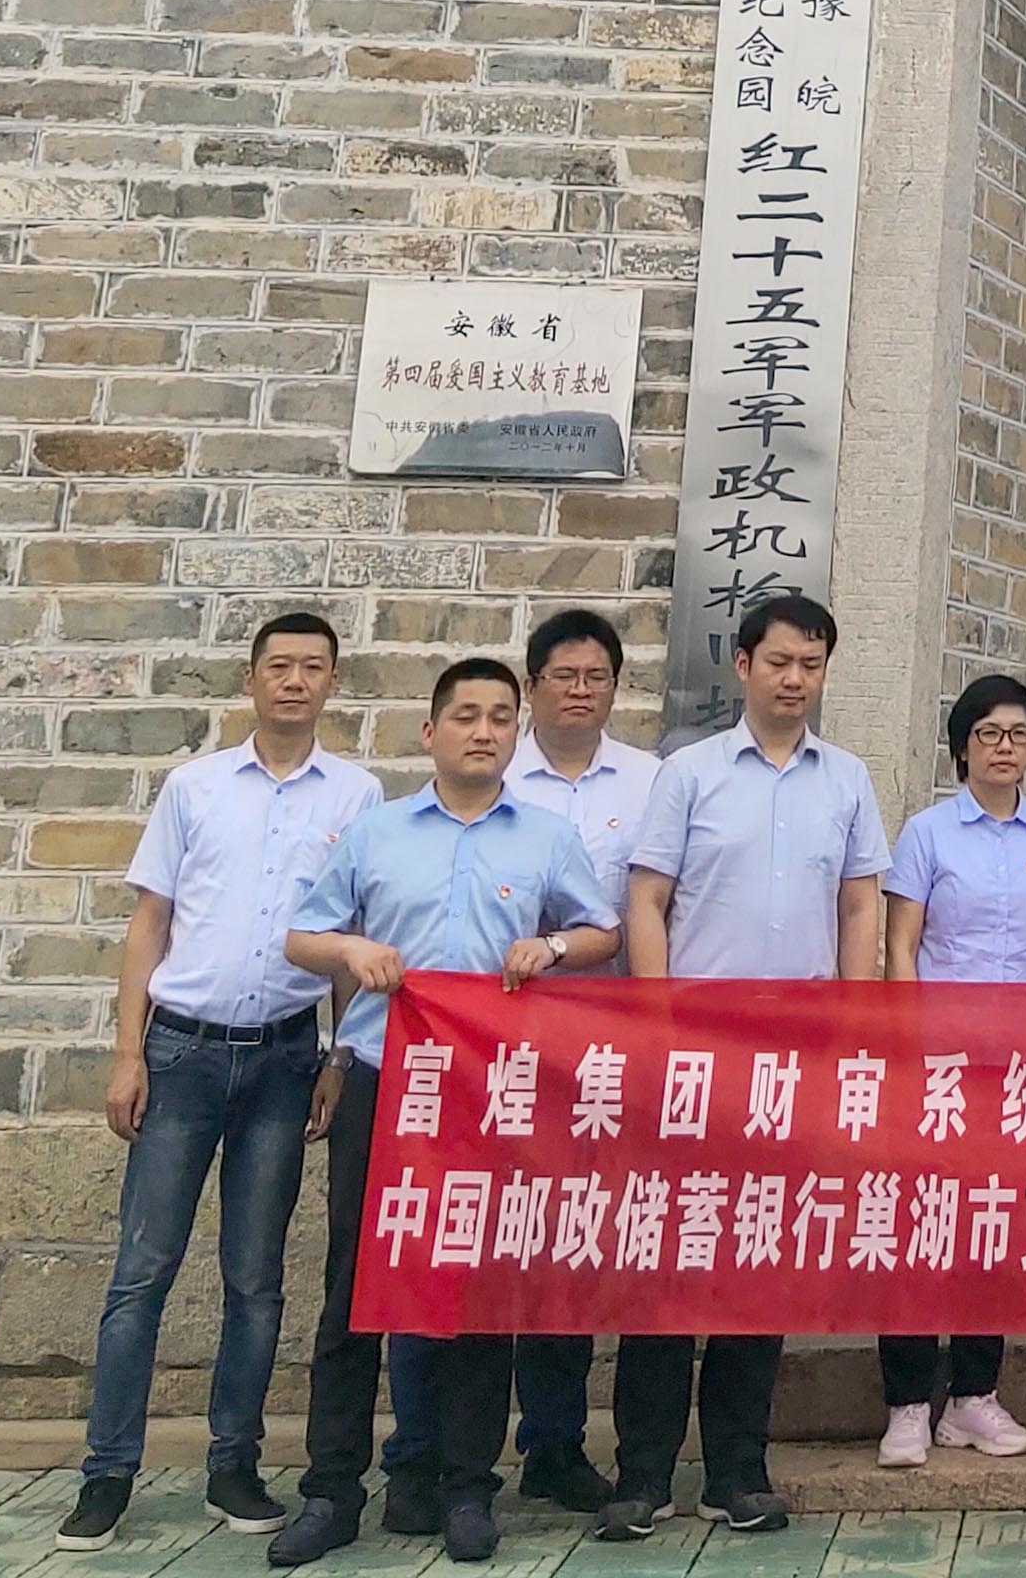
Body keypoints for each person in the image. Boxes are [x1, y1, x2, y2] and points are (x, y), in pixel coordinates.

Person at [270, 658, 622, 1567]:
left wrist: (550, 948)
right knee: (357, 1284)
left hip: (491, 1089)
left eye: (500, 717)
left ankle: (469, 1486)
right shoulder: (377, 833)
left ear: (516, 734)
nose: (484, 730)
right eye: (465, 715)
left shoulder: (545, 837)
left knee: (477, 1284)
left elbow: (602, 931)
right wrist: (352, 951)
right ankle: (333, 1489)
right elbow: (302, 935)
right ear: (430, 733)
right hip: (387, 1080)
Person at [55, 613, 379, 1554]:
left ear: (333, 683)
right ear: (250, 679)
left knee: (255, 1276)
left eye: (312, 667)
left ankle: (233, 1463)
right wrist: (128, 1051)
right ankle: (107, 1472)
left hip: (285, 1060)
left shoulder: (357, 795)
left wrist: (337, 1056)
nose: (294, 680)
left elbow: (348, 940)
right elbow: (149, 924)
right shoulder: (194, 787)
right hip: (182, 1053)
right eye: (279, 665)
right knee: (142, 1271)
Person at [597, 595, 889, 1542]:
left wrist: (853, 1027)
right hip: (692, 1054)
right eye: (780, 661)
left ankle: (737, 1469)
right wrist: (655, 1024)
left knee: (758, 1260)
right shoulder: (688, 774)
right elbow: (647, 900)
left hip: (795, 1056)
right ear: (744, 666)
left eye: (811, 663)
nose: (795, 679)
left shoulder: (846, 780)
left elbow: (860, 908)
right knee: (664, 1258)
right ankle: (642, 1473)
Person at [376, 608, 647, 1531]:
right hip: (458, 1061)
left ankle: (555, 1446)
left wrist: (560, 949)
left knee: (559, 1253)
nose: (581, 689)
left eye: (597, 676)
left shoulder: (650, 782)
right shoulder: (487, 777)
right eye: (563, 674)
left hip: (586, 1059)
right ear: (531, 689)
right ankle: (425, 1457)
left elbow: (625, 918)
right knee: (444, 1254)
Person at [874, 674, 1026, 1469]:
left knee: (992, 1225)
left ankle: (972, 1397)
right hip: (938, 1064)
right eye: (988, 733)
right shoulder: (927, 833)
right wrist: (908, 1042)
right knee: (919, 1225)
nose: (1004, 747)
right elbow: (901, 944)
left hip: (1015, 1066)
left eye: (1018, 735)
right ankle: (905, 1404)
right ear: (962, 747)